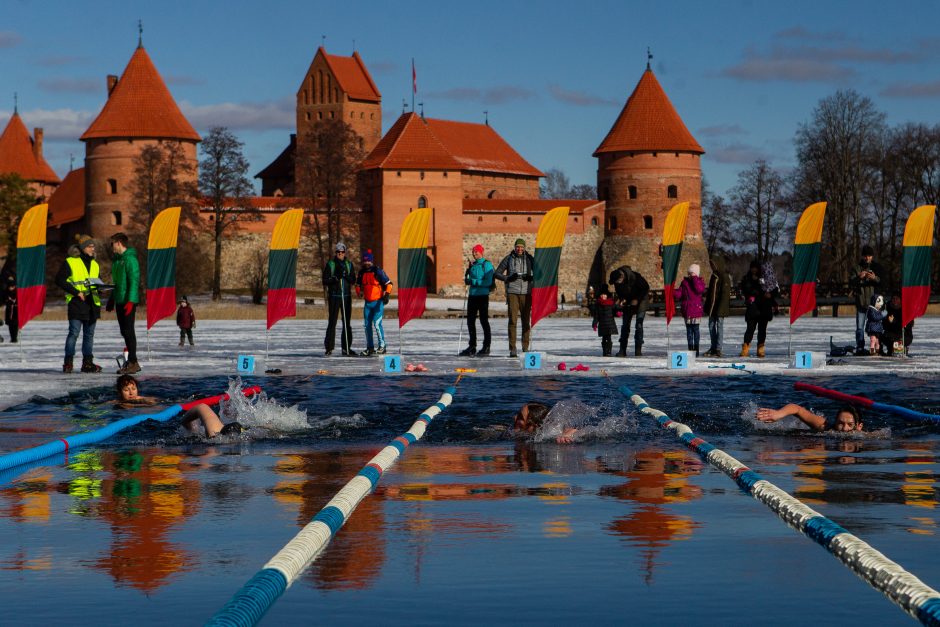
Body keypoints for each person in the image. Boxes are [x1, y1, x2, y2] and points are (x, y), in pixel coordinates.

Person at [115, 374, 245, 436]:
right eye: (126, 390)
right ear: (119, 392)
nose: (131, 392)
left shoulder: (144, 399)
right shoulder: (118, 403)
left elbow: (154, 402)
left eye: (133, 388)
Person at [55, 235, 103, 373]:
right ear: (82, 248)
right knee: (74, 333)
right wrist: (76, 292)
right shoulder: (71, 262)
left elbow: (97, 281)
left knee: (89, 335)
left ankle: (87, 363)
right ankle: (68, 363)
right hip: (77, 302)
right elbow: (59, 280)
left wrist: (102, 289)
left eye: (93, 246)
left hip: (92, 303)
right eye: (89, 246)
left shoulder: (95, 263)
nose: (92, 249)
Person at [494, 238, 534, 358]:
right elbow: (497, 273)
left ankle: (525, 347)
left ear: (524, 248)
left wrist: (531, 277)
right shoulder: (509, 258)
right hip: (512, 293)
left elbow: (539, 273)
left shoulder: (529, 259)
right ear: (515, 247)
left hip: (527, 293)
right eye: (518, 247)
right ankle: (512, 349)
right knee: (513, 321)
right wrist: (508, 278)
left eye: (522, 247)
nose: (520, 249)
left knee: (526, 321)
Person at [108, 232, 141, 374]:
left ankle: (133, 362)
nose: (111, 247)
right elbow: (117, 283)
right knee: (124, 331)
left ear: (119, 243)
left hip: (128, 301)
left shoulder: (130, 260)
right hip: (120, 300)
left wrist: (131, 300)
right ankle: (132, 361)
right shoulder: (116, 261)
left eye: (112, 244)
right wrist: (111, 299)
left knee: (128, 330)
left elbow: (134, 281)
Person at [355, 249, 392, 356]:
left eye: (368, 261)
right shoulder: (361, 272)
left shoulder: (378, 271)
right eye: (365, 261)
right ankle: (370, 348)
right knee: (367, 325)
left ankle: (382, 346)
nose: (366, 263)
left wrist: (387, 295)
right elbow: (357, 285)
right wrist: (359, 292)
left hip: (378, 302)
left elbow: (389, 284)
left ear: (371, 261)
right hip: (368, 303)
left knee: (376, 324)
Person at [739, 259, 778, 358]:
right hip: (753, 308)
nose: (754, 270)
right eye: (752, 268)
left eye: (756, 268)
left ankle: (760, 348)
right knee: (750, 329)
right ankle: (745, 347)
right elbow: (744, 289)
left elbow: (775, 289)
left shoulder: (766, 278)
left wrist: (771, 295)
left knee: (762, 330)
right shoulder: (747, 278)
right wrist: (752, 289)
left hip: (764, 308)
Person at [461, 244, 494, 357]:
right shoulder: (473, 265)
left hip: (483, 296)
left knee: (483, 321)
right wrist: (467, 278)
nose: (475, 254)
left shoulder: (487, 264)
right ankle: (472, 346)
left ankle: (486, 346)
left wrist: (473, 282)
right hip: (472, 296)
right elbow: (469, 278)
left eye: (477, 252)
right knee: (470, 321)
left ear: (481, 252)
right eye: (474, 252)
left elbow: (488, 282)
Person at [322, 242, 355, 356]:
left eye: (342, 252)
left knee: (347, 322)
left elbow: (353, 280)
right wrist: (335, 278)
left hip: (346, 297)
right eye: (338, 252)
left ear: (345, 252)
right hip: (334, 296)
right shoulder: (331, 264)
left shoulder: (348, 264)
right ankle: (329, 348)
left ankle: (346, 348)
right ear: (335, 252)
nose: (340, 254)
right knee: (332, 322)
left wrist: (345, 275)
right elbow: (325, 280)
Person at [609, 265, 649, 357]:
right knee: (625, 325)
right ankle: (622, 350)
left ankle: (638, 350)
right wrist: (622, 299)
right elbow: (620, 293)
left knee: (638, 325)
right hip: (629, 300)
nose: (617, 284)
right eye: (616, 283)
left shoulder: (635, 277)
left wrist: (637, 299)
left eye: (618, 281)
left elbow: (645, 288)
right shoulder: (617, 281)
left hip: (641, 299)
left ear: (622, 277)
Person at [850, 245, 883, 354]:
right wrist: (859, 277)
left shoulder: (876, 267)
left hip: (873, 305)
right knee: (860, 327)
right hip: (861, 302)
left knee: (876, 327)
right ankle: (860, 347)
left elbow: (882, 282)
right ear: (862, 256)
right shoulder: (856, 268)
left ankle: (877, 347)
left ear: (872, 256)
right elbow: (851, 282)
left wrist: (875, 278)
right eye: (865, 256)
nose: (867, 258)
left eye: (869, 256)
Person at [756, 403, 864, 432]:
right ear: (835, 423)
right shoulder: (825, 427)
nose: (845, 429)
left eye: (850, 425)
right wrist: (778, 414)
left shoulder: (869, 437)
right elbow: (797, 409)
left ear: (859, 426)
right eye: (840, 423)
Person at [674, 263, 706, 356]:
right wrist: (672, 291)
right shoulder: (685, 282)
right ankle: (690, 348)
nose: (689, 275)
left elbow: (698, 289)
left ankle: (696, 349)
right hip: (687, 310)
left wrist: (695, 278)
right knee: (689, 332)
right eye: (689, 273)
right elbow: (680, 294)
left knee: (696, 330)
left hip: (696, 310)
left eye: (691, 273)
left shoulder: (700, 282)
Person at [702, 254, 730, 357]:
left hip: (720, 307)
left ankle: (718, 348)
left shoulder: (724, 277)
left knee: (719, 325)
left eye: (713, 264)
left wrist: (721, 309)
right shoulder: (713, 276)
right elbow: (710, 293)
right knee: (711, 326)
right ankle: (713, 347)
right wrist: (707, 306)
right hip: (712, 307)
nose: (712, 267)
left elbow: (725, 294)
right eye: (711, 265)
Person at [512, 402, 578, 444]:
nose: (514, 417)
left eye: (520, 417)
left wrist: (566, 435)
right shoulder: (511, 432)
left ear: (534, 425)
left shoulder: (550, 433)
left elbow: (577, 431)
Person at [591, 285, 618, 356]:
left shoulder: (611, 303)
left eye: (605, 295)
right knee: (603, 338)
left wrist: (618, 313)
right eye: (602, 295)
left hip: (610, 324)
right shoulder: (598, 304)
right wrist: (594, 324)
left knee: (608, 338)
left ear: (607, 295)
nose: (603, 296)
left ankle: (609, 351)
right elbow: (596, 316)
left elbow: (615, 310)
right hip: (602, 324)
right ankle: (604, 351)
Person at [0, 257, 17, 343]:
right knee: (11, 322)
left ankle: (14, 337)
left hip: (11, 300)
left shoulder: (10, 269)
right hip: (5, 296)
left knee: (14, 322)